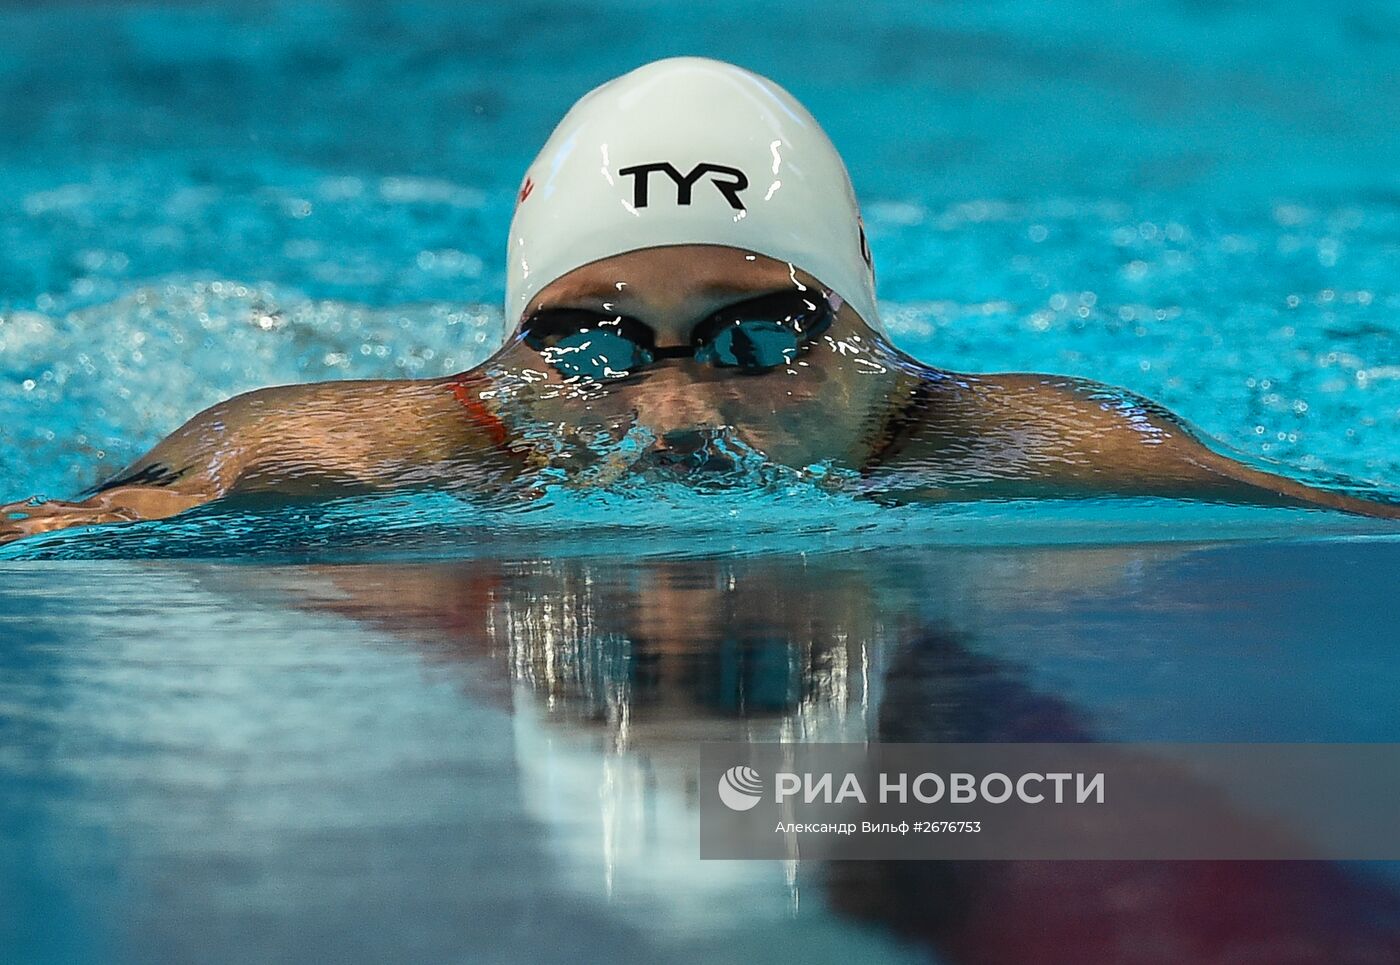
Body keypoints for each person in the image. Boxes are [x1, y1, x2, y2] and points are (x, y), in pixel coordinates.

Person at [2, 57, 1395, 545]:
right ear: (510, 354)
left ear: (869, 337)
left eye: (762, 335)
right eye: (594, 341)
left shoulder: (1036, 439)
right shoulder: (392, 441)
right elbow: (83, 519)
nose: (676, 410)